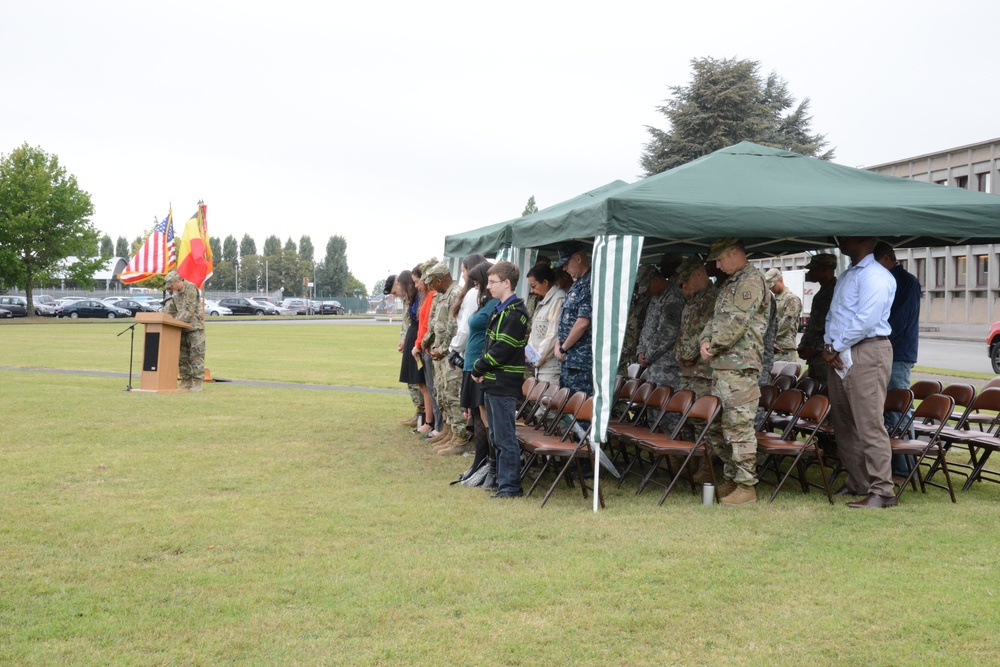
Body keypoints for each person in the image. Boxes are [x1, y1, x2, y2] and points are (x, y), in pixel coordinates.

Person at [822, 236, 897, 509]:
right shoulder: (848, 274)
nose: (839, 239)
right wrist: (830, 346)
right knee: (844, 423)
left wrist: (836, 346)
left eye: (846, 235)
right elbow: (835, 315)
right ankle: (859, 482)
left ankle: (883, 491)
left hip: (867, 350)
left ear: (865, 239)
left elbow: (865, 320)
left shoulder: (875, 275)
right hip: (841, 352)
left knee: (869, 423)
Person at [699, 238, 770, 505]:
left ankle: (746, 485)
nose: (716, 266)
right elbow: (713, 320)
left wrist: (713, 344)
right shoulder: (728, 284)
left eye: (719, 259)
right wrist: (704, 341)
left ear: (733, 253)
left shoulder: (750, 281)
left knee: (739, 427)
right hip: (722, 367)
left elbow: (736, 324)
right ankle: (731, 477)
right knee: (719, 427)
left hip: (740, 369)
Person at [472, 261, 530, 499]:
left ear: (507, 283)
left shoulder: (516, 313)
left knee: (505, 437)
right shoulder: (500, 309)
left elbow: (501, 350)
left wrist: (478, 366)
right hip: (493, 381)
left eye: (492, 282)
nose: (488, 287)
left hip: (504, 383)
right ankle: (499, 480)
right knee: (496, 435)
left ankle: (510, 486)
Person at [874, 240, 921, 475]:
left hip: (897, 354)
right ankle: (892, 463)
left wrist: (875, 344)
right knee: (885, 409)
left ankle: (906, 466)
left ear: (885, 259)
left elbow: (898, 322)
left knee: (898, 408)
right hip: (887, 351)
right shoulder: (891, 280)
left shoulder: (906, 282)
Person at [675, 258, 722, 483]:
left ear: (699, 274)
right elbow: (682, 333)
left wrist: (687, 354)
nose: (683, 287)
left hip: (703, 371)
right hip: (687, 371)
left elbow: (706, 332)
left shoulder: (713, 299)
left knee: (706, 421)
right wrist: (679, 355)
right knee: (686, 417)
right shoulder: (691, 301)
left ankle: (707, 465)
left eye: (685, 282)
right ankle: (691, 459)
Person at [456, 261, 499, 485]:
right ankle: (480, 462)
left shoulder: (493, 305)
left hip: (479, 365)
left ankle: (486, 463)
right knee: (477, 414)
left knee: (484, 417)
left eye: (476, 281)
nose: (474, 285)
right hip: (471, 362)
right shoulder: (484, 303)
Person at [422, 261, 469, 455]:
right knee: (442, 394)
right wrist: (426, 342)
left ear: (440, 280)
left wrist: (442, 349)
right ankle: (450, 432)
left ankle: (461, 438)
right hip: (439, 354)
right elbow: (434, 323)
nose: (430, 287)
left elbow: (453, 327)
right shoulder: (441, 296)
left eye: (432, 283)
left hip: (450, 354)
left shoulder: (456, 294)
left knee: (452, 395)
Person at [554, 243, 593, 396]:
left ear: (577, 259)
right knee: (567, 411)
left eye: (566, 263)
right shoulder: (577, 285)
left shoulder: (590, 284)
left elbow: (583, 323)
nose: (564, 269)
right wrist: (559, 343)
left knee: (580, 412)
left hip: (581, 362)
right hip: (569, 360)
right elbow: (565, 320)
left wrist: (564, 347)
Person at [392, 271, 428, 429]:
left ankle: (427, 419)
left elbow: (423, 322)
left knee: (421, 382)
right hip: (413, 338)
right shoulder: (412, 299)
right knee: (416, 381)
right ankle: (421, 414)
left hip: (418, 339)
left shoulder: (420, 297)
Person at [797, 253, 839, 383]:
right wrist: (803, 345)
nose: (810, 272)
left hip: (827, 357)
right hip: (816, 359)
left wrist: (815, 349)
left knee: (827, 396)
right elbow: (812, 325)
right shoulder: (819, 294)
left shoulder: (837, 292)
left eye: (813, 269)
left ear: (825, 269)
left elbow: (837, 328)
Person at [162, 269, 206, 392]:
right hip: (180, 329)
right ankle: (186, 381)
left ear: (177, 281)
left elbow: (189, 310)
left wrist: (175, 322)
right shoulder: (175, 293)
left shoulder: (190, 288)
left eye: (171, 285)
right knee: (182, 357)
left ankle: (198, 382)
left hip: (194, 328)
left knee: (196, 355)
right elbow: (170, 308)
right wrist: (161, 317)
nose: (170, 288)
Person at [412, 261, 440, 437]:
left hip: (428, 347)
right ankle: (436, 425)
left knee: (433, 388)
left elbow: (427, 326)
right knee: (430, 387)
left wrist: (418, 345)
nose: (416, 285)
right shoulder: (428, 297)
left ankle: (437, 426)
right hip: (424, 346)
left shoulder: (432, 296)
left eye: (417, 281)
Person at [525, 264, 566, 386]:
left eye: (533, 286)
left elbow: (553, 335)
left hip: (550, 368)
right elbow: (534, 332)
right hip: (539, 366)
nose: (532, 291)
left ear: (545, 282)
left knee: (548, 403)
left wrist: (535, 360)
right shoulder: (543, 301)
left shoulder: (559, 299)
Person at [765, 268, 803, 363]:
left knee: (783, 376)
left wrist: (770, 338)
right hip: (772, 347)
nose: (771, 288)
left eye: (773, 285)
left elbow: (787, 322)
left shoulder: (792, 299)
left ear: (780, 280)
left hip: (784, 349)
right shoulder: (773, 299)